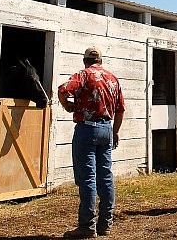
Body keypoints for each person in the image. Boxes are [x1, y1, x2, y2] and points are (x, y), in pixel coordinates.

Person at [58, 46, 125, 238]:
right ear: (100, 60)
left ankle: (87, 225)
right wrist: (115, 132)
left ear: (85, 60)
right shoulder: (112, 78)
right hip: (106, 128)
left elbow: (63, 90)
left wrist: (67, 105)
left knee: (87, 177)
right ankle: (105, 223)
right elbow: (120, 109)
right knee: (105, 176)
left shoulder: (83, 75)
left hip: (87, 128)